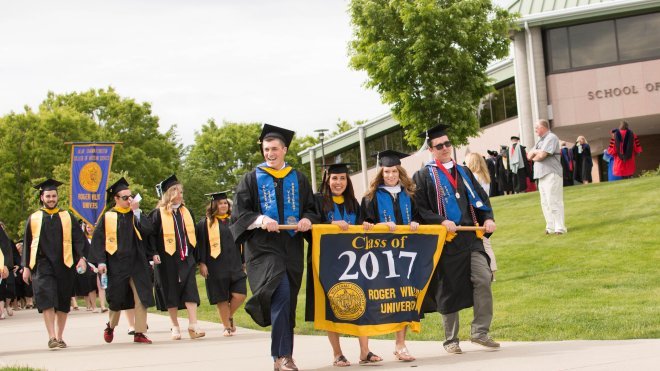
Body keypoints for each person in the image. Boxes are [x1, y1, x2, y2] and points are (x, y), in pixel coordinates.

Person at [231, 124, 319, 371]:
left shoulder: (298, 178)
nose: (269, 153)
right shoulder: (251, 178)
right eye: (266, 149)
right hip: (263, 249)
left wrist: (307, 220)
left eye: (274, 149)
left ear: (285, 150)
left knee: (287, 301)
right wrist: (260, 220)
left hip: (291, 247)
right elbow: (239, 214)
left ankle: (282, 357)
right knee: (280, 293)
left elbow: (312, 209)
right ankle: (282, 356)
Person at [412, 124, 498, 355]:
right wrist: (440, 220)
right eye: (439, 146)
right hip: (447, 240)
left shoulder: (464, 172)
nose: (445, 148)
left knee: (483, 278)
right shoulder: (423, 176)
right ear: (431, 149)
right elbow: (418, 209)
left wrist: (487, 218)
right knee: (448, 289)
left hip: (471, 236)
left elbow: (481, 199)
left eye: (448, 144)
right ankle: (451, 340)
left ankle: (480, 331)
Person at [306, 163, 382, 367]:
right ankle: (337, 354)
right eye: (334, 178)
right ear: (327, 180)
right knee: (333, 305)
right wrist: (329, 225)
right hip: (327, 262)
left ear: (347, 181)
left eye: (342, 178)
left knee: (361, 302)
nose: (338, 183)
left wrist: (366, 225)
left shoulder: (352, 202)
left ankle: (365, 352)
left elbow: (360, 227)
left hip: (354, 262)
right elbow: (309, 226)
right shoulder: (317, 200)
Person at [361, 150, 419, 362]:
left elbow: (417, 217)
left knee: (403, 298)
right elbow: (364, 225)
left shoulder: (409, 195)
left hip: (405, 255)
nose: (390, 175)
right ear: (381, 172)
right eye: (386, 171)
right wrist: (381, 225)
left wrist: (415, 223)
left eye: (394, 171)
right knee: (380, 299)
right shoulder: (371, 197)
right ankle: (366, 348)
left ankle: (401, 345)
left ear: (399, 171)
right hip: (380, 256)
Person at [21, 179, 88, 349]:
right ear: (42, 197)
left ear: (57, 197)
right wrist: (26, 267)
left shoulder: (67, 216)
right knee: (47, 300)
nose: (51, 199)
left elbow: (79, 240)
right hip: (42, 265)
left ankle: (60, 336)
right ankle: (51, 337)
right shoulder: (34, 218)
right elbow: (28, 243)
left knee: (63, 302)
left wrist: (82, 258)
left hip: (65, 263)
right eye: (48, 196)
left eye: (54, 196)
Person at [92, 177, 157, 344]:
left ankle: (139, 332)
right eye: (125, 197)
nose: (129, 200)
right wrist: (101, 262)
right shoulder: (108, 217)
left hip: (137, 263)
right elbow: (98, 241)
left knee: (141, 297)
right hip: (117, 265)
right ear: (116, 199)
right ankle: (111, 326)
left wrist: (136, 212)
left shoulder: (136, 214)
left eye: (131, 196)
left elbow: (148, 231)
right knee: (116, 299)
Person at [149, 174, 205, 340]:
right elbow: (151, 236)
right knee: (170, 290)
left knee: (190, 290)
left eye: (181, 191)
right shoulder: (157, 214)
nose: (180, 194)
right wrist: (154, 253)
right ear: (169, 194)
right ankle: (174, 326)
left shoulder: (187, 212)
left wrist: (198, 258)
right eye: (176, 191)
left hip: (185, 257)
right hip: (166, 259)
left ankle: (193, 326)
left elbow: (193, 235)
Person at [195, 191, 247, 337]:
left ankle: (228, 316)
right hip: (215, 265)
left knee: (240, 294)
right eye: (220, 203)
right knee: (221, 297)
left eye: (225, 203)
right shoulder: (204, 224)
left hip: (235, 264)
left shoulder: (234, 221)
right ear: (214, 205)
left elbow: (242, 242)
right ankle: (226, 327)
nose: (223, 205)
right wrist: (202, 263)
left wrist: (244, 261)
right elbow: (200, 245)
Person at [527, 119, 566, 235]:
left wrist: (536, 153)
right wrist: (537, 152)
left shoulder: (551, 138)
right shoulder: (540, 141)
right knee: (545, 202)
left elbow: (541, 156)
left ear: (543, 127)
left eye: (536, 128)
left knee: (553, 200)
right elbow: (529, 156)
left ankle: (560, 227)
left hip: (551, 173)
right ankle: (550, 226)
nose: (535, 130)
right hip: (541, 175)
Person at [464, 153, 498, 279]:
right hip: (484, 211)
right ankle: (492, 272)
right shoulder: (484, 176)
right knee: (487, 243)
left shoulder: (474, 177)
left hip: (477, 214)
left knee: (484, 244)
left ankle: (490, 273)